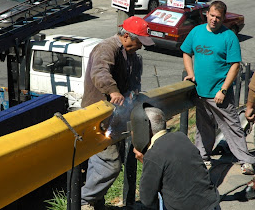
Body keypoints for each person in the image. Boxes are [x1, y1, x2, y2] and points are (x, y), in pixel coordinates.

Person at [80, 16, 154, 210]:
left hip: (116, 116)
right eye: (139, 41)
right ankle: (83, 200)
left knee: (99, 161)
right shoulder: (107, 48)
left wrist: (134, 94)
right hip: (98, 116)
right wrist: (112, 90)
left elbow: (133, 82)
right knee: (110, 163)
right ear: (127, 36)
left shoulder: (131, 55)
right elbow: (100, 72)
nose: (140, 46)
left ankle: (94, 202)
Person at [180, 0, 255, 175]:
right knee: (203, 126)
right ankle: (203, 158)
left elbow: (235, 65)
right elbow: (186, 52)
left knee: (232, 126)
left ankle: (246, 161)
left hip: (219, 93)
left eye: (218, 18)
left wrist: (223, 90)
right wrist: (190, 73)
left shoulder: (228, 36)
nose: (214, 20)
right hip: (200, 92)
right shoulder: (196, 32)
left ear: (223, 18)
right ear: (207, 14)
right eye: (212, 15)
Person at [133, 107, 221, 210]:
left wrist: (147, 162)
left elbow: (147, 199)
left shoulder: (153, 155)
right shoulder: (181, 137)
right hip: (211, 204)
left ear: (144, 129)